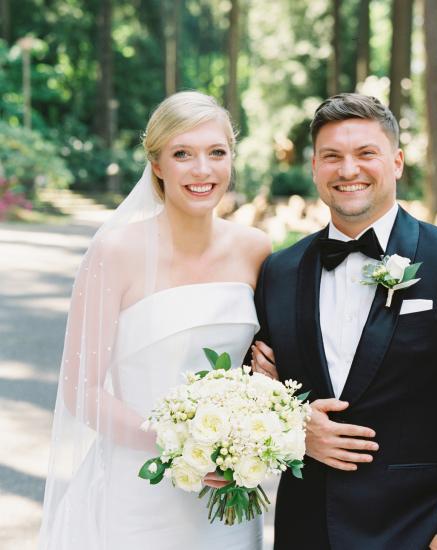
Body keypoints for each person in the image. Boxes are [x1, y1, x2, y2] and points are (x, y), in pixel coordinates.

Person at [252, 93, 437, 550]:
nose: (348, 170)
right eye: (332, 157)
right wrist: (291, 425)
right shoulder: (279, 272)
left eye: (366, 154)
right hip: (305, 530)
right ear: (315, 167)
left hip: (416, 530)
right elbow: (259, 387)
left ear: (396, 162)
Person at [38, 91, 271, 550]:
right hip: (136, 495)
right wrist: (181, 445)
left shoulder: (256, 250)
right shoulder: (116, 252)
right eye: (182, 154)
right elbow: (81, 393)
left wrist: (265, 384)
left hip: (226, 498)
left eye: (216, 153)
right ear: (157, 165)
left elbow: (262, 365)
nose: (202, 170)